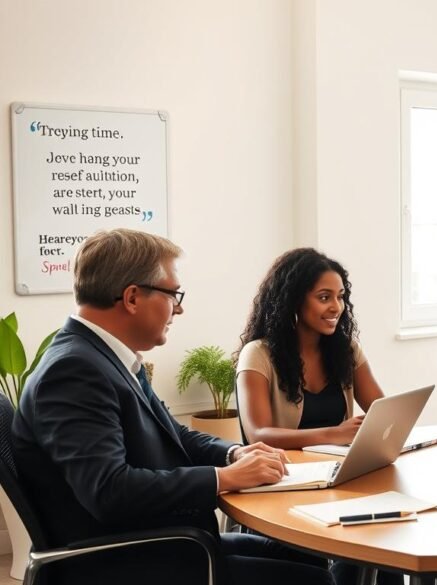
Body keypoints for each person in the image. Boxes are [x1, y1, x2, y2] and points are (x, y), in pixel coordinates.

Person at [11, 229, 332, 585]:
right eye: (172, 294)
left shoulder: (107, 357)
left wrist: (234, 455)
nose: (178, 307)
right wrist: (223, 479)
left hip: (162, 542)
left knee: (308, 556)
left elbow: (173, 433)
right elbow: (109, 490)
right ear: (132, 297)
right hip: (126, 562)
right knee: (315, 579)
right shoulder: (73, 371)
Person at [235, 247, 400, 585]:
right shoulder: (259, 355)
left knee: (385, 541)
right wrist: (332, 433)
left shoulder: (345, 349)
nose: (335, 307)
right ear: (295, 300)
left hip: (340, 478)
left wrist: (387, 429)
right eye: (324, 297)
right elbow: (257, 434)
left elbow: (382, 409)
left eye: (340, 297)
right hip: (286, 484)